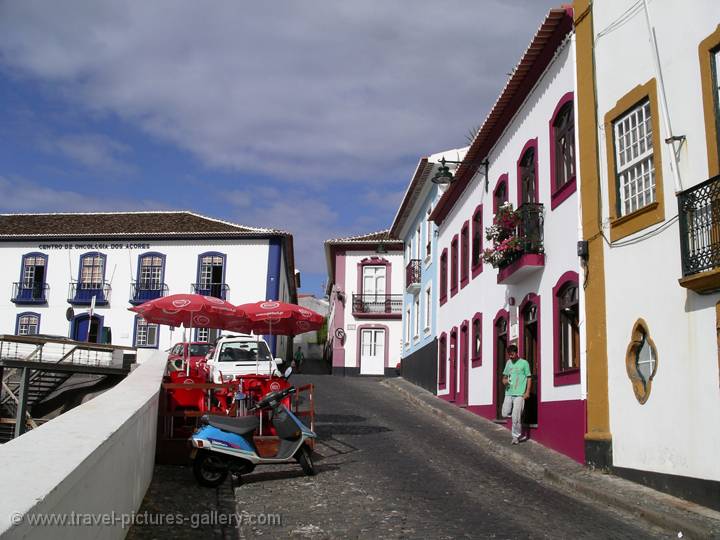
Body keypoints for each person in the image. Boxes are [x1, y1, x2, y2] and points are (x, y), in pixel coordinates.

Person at [501, 344, 531, 445]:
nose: (510, 356)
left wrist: (527, 392)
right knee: (504, 413)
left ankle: (515, 436)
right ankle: (516, 416)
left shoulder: (524, 363)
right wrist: (504, 381)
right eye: (509, 355)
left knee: (516, 417)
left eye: (512, 354)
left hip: (519, 394)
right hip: (509, 392)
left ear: (516, 352)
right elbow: (504, 377)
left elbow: (529, 378)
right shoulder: (508, 363)